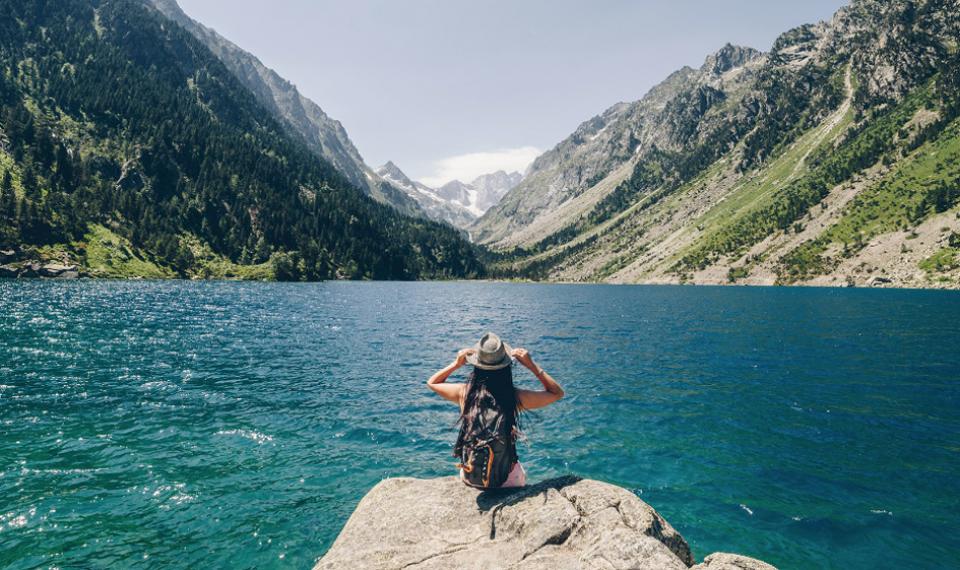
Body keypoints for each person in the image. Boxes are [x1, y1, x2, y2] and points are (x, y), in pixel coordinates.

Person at [427, 332, 565, 489]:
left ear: (476, 366)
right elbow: (557, 393)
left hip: (470, 476)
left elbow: (432, 382)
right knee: (518, 471)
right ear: (506, 366)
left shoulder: (464, 393)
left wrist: (456, 363)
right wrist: (531, 365)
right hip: (506, 481)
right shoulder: (514, 397)